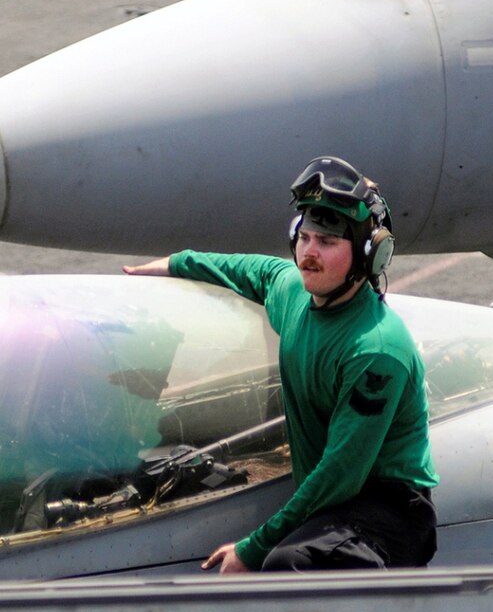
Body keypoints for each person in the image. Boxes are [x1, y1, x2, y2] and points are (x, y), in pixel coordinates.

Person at [123, 156, 437, 572]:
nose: (309, 252)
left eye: (327, 243)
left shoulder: (375, 350)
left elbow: (340, 475)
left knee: (287, 564)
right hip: (334, 502)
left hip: (386, 510)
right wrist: (175, 263)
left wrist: (253, 548)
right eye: (303, 237)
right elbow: (255, 271)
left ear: (368, 255)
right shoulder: (294, 293)